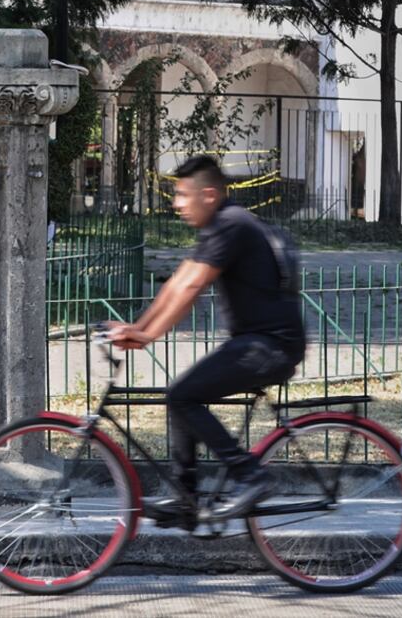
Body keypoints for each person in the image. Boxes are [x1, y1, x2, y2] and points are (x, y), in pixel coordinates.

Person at [108, 154, 306, 521]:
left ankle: (250, 475)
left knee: (183, 396)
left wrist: (145, 335)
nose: (176, 203)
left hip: (270, 345)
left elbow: (193, 287)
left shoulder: (231, 225)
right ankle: (186, 496)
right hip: (258, 342)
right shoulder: (218, 227)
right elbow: (177, 284)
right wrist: (139, 327)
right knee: (182, 395)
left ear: (209, 195)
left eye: (183, 194)